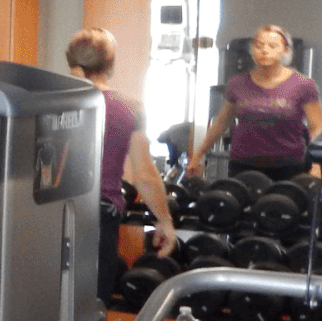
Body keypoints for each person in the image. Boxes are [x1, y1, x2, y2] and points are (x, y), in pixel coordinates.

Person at [67, 28, 177, 305]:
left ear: (70, 63)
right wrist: (164, 221)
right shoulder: (128, 107)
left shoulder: (46, 103)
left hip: (49, 214)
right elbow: (144, 175)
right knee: (90, 307)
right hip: (98, 215)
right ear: (111, 64)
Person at [188, 24, 322, 182]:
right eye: (259, 45)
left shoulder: (303, 85)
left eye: (272, 46)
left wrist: (300, 148)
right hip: (243, 164)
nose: (264, 50)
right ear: (252, 50)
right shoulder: (238, 84)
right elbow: (221, 122)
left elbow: (316, 125)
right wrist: (198, 154)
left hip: (289, 166)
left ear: (285, 51)